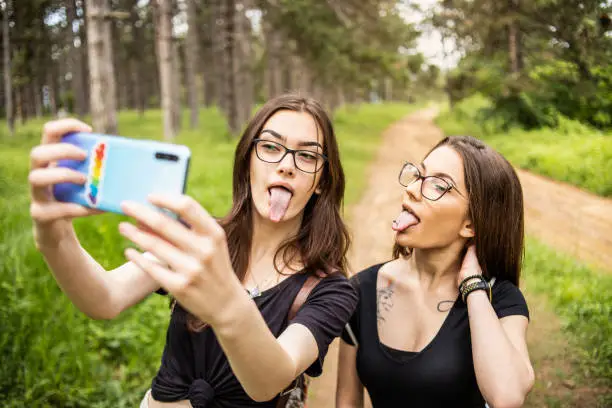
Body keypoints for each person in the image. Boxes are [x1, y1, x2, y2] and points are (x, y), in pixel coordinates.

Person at [29, 94, 358, 408]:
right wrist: (54, 235)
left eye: (307, 155)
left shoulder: (331, 290)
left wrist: (226, 302)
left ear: (320, 181)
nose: (286, 165)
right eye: (270, 147)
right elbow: (104, 298)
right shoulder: (199, 241)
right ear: (248, 163)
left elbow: (268, 382)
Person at [336, 136, 535, 408]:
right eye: (418, 174)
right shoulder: (361, 289)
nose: (413, 190)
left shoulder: (498, 298)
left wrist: (472, 287)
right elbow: (347, 401)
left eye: (439, 186)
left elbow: (506, 396)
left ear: (471, 224)